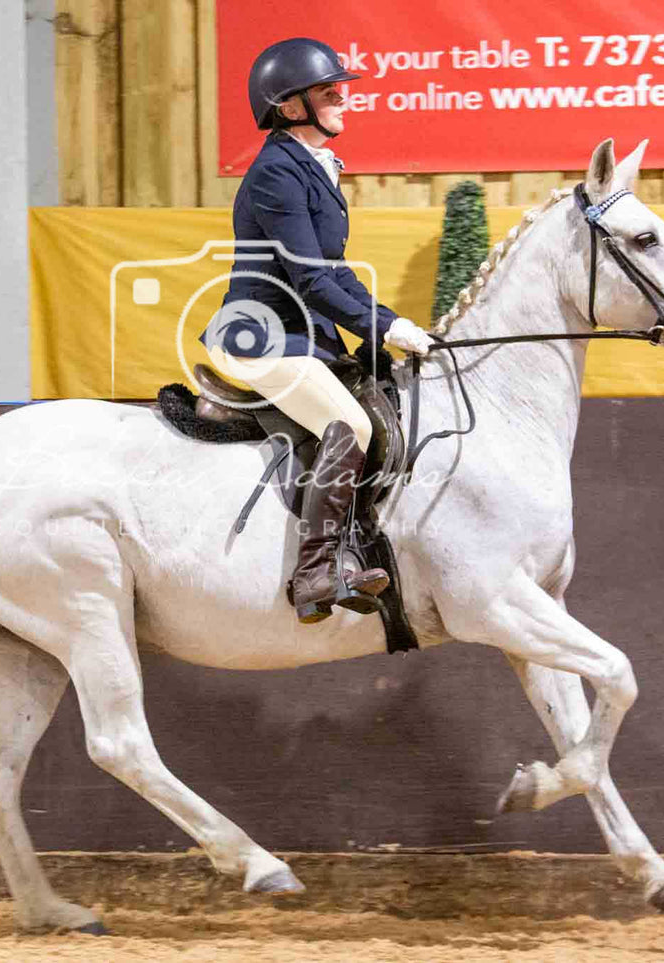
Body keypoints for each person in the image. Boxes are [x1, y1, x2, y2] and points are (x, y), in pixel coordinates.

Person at [200, 37, 433, 624]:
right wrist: (388, 323)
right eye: (330, 90)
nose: (342, 99)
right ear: (289, 105)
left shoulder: (310, 166)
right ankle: (313, 572)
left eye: (340, 89)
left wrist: (386, 325)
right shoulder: (277, 173)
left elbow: (336, 272)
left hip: (304, 334)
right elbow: (309, 280)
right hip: (262, 336)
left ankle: (355, 546)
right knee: (348, 422)